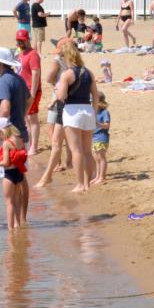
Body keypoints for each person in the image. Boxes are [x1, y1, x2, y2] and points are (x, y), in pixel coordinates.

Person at [0, 45, 30, 215]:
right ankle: (22, 218)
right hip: (21, 133)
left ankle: (14, 223)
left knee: (10, 177)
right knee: (21, 175)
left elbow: (4, 107)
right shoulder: (18, 79)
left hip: (9, 136)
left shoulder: (4, 80)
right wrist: (21, 116)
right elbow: (29, 99)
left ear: (0, 63)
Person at [54, 42, 100, 193]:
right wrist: (93, 112)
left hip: (72, 111)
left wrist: (59, 88)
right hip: (88, 110)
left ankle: (80, 184)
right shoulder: (89, 72)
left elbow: (61, 97)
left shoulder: (66, 74)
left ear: (66, 56)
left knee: (76, 151)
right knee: (87, 151)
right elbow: (95, 95)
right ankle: (87, 182)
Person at [35, 39, 74, 188]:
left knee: (52, 128)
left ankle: (57, 161)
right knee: (67, 129)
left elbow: (49, 77)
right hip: (72, 96)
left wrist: (55, 85)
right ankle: (68, 161)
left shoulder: (57, 60)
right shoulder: (73, 61)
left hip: (59, 93)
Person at [0, 118, 28, 228]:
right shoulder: (20, 139)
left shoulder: (7, 143)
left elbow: (6, 162)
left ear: (3, 130)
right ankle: (17, 225)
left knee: (9, 203)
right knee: (17, 200)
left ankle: (10, 228)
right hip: (19, 173)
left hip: (9, 175)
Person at [15, 29, 42, 156]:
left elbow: (36, 73)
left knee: (32, 118)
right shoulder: (20, 54)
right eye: (18, 41)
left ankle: (34, 147)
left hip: (32, 89)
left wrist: (33, 93)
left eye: (22, 40)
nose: (19, 43)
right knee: (26, 118)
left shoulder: (33, 54)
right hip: (22, 89)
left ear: (27, 40)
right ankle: (29, 144)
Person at [92, 94, 111, 186]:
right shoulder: (94, 112)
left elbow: (107, 125)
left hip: (102, 136)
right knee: (96, 158)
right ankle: (98, 176)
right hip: (95, 137)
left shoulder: (104, 112)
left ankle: (102, 177)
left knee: (101, 158)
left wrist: (98, 124)